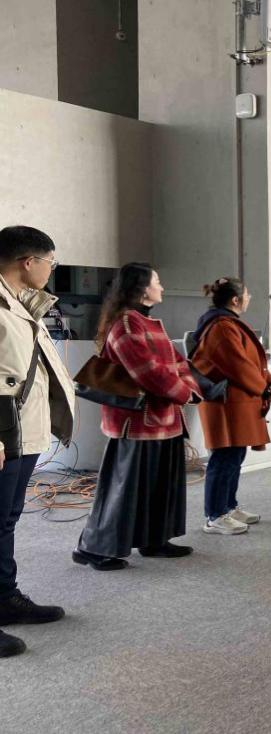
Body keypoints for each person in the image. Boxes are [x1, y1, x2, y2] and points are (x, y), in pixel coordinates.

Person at [74, 263, 201, 571]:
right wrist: (185, 393)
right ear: (143, 289)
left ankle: (154, 540)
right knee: (123, 490)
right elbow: (148, 372)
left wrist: (189, 387)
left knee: (160, 486)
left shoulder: (145, 322)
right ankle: (94, 549)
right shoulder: (127, 325)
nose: (162, 286)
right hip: (137, 423)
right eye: (157, 281)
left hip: (163, 419)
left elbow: (178, 362)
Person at [0, 226, 76, 658]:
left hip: (22, 432)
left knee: (6, 519)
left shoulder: (21, 302)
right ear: (28, 261)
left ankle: (5, 598)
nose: (51, 269)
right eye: (51, 261)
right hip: (3, 432)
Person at [190, 277, 271, 535]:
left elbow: (253, 363)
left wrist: (269, 382)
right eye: (247, 294)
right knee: (224, 457)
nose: (249, 298)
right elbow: (238, 366)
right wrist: (263, 387)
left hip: (235, 402)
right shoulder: (221, 327)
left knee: (235, 456)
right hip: (225, 403)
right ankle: (215, 515)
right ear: (236, 300)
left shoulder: (227, 323)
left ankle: (228, 507)